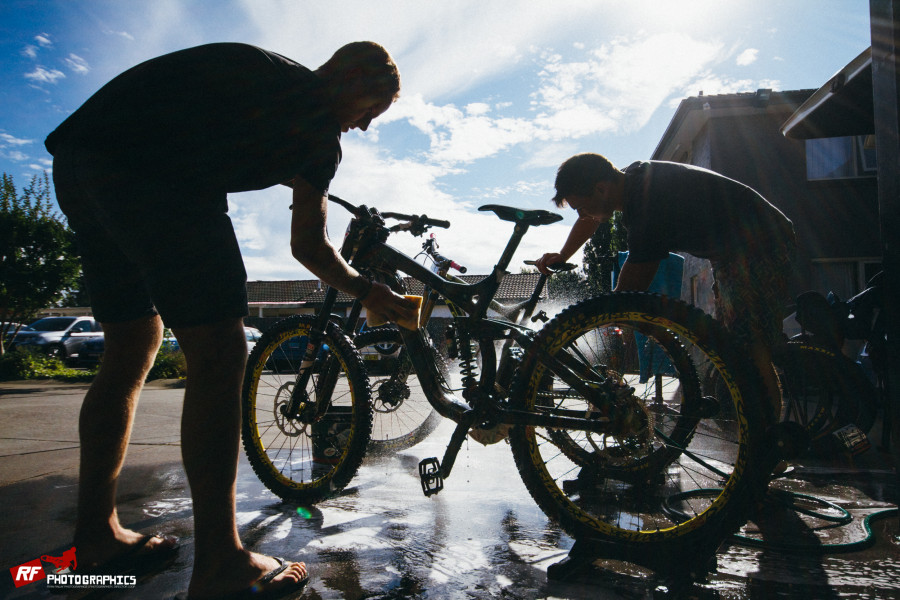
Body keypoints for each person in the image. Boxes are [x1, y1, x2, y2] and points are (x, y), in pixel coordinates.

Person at [46, 41, 417, 599]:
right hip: (157, 172)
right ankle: (221, 564)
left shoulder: (259, 68)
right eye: (371, 112)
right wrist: (368, 290)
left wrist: (364, 290)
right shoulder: (316, 130)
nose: (364, 127)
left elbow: (307, 245)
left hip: (80, 160)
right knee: (220, 351)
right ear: (354, 85)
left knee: (132, 341)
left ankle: (96, 539)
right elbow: (310, 245)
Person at [536, 153, 795, 421]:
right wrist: (563, 255)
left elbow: (634, 281)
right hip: (732, 252)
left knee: (750, 346)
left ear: (601, 188)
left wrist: (608, 322)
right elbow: (591, 219)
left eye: (581, 206)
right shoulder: (627, 182)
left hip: (763, 242)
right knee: (735, 344)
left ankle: (768, 448)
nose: (582, 214)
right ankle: (761, 435)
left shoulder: (647, 202)